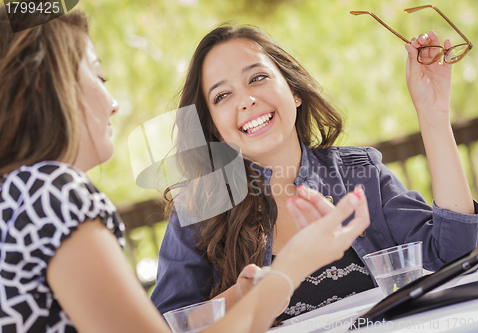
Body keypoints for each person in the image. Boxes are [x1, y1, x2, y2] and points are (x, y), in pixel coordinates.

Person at [0, 5, 371, 333]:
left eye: (257, 77)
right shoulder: (52, 194)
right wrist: (291, 268)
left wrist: (251, 292)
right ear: (46, 86)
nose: (113, 103)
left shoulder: (19, 196)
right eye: (98, 76)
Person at [151, 23, 478, 322]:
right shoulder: (195, 214)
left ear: (293, 92)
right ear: (214, 128)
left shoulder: (360, 175)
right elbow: (168, 325)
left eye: (258, 77)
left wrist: (433, 115)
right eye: (222, 95)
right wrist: (244, 292)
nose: (246, 100)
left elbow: (457, 257)